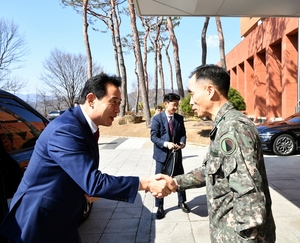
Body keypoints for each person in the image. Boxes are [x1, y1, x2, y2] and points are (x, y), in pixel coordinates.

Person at [0, 74, 176, 243]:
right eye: (113, 102)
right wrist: (146, 183)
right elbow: (93, 182)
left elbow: (82, 175)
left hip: (62, 219)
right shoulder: (66, 129)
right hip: (38, 224)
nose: (117, 109)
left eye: (120, 103)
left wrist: (85, 191)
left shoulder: (83, 126)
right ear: (91, 99)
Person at [172, 64, 276, 242]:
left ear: (210, 90)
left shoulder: (233, 128)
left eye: (192, 93)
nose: (190, 102)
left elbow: (248, 192)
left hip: (238, 237)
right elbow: (210, 172)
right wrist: (174, 182)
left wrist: (246, 239)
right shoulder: (224, 126)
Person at [150, 93, 190, 219]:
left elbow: (183, 133)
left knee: (180, 179)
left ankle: (182, 202)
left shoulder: (179, 118)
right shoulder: (157, 119)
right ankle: (160, 206)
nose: (176, 107)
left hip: (176, 155)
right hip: (162, 156)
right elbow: (153, 137)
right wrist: (165, 144)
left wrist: (182, 143)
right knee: (160, 181)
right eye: (174, 104)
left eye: (177, 105)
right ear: (166, 104)